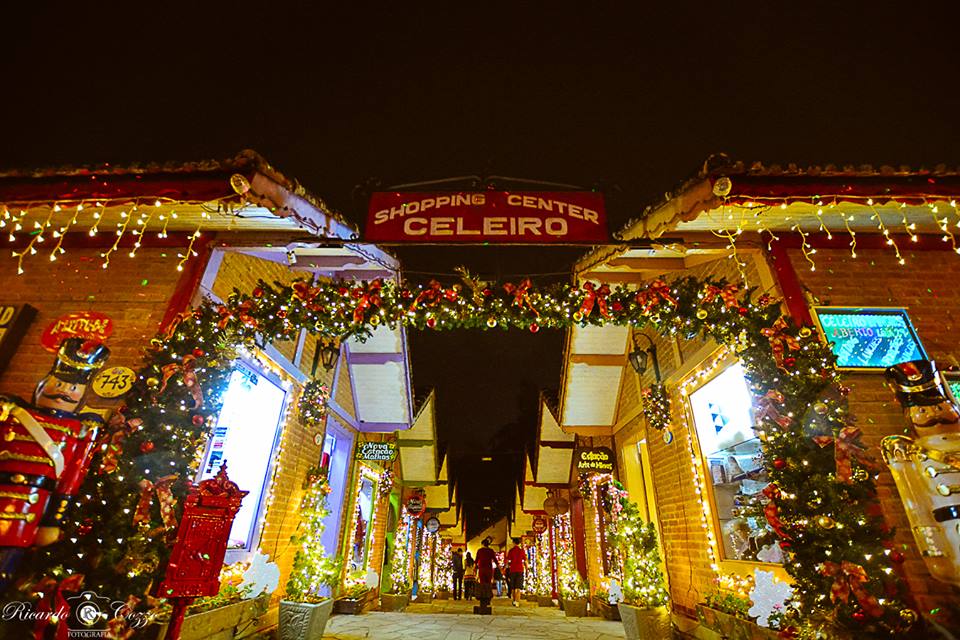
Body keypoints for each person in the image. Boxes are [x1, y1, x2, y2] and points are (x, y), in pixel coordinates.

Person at [474, 537, 497, 614]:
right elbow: (495, 559)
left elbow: (476, 560)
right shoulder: (491, 551)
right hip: (489, 569)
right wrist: (499, 567)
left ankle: (482, 599)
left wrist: (474, 569)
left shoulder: (480, 551)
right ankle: (488, 599)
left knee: (482, 584)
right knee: (488, 584)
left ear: (482, 544)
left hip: (482, 569)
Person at [506, 537, 526, 607]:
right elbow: (525, 560)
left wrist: (506, 568)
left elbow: (508, 561)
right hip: (520, 570)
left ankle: (514, 600)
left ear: (514, 543)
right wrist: (526, 568)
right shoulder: (521, 551)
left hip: (513, 570)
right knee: (518, 587)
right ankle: (517, 601)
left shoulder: (511, 551)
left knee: (513, 587)